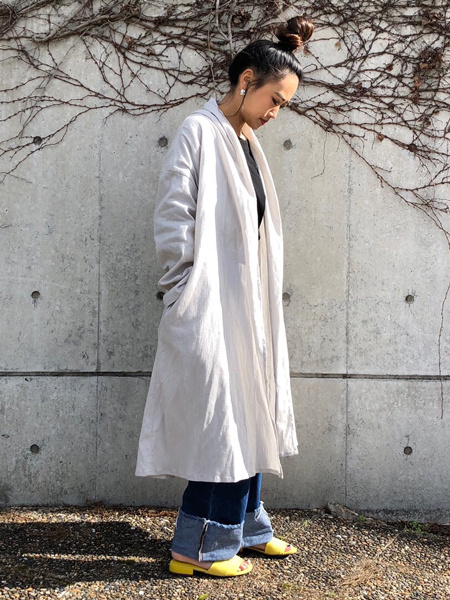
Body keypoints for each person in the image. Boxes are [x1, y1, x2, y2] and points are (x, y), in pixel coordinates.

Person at [136, 15, 314, 577]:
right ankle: (199, 548)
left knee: (250, 412)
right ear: (245, 81)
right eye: (274, 100)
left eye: (283, 105)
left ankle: (247, 526)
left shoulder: (245, 141)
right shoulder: (199, 130)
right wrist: (185, 288)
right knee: (223, 424)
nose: (275, 113)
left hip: (247, 304)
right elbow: (173, 215)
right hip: (210, 303)